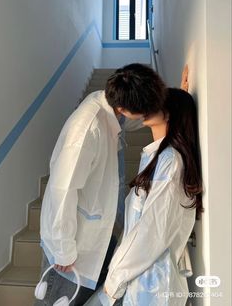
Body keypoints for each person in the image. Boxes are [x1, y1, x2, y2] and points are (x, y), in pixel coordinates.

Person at [34, 64, 167, 306]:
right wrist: (63, 247)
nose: (144, 118)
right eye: (142, 112)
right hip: (72, 245)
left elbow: (135, 120)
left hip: (100, 232)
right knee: (60, 301)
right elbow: (62, 190)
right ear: (123, 109)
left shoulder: (111, 103)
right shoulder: (86, 130)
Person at [84, 88, 203, 306]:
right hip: (140, 282)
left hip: (153, 287)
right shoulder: (157, 158)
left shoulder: (170, 161)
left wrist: (113, 282)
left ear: (170, 113)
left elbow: (151, 232)